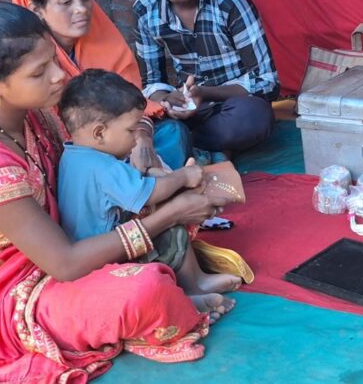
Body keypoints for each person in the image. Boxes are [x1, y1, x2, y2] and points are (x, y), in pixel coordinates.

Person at [0, 2, 232, 382]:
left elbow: (120, 119)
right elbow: (64, 263)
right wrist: (170, 214)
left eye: (54, 59)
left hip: (62, 250)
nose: (59, 75)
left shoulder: (35, 112)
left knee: (157, 193)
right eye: (39, 71)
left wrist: (142, 143)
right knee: (144, 288)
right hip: (4, 303)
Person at [57, 68, 242, 300]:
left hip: (91, 248)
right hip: (105, 257)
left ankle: (195, 282)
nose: (137, 138)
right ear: (99, 133)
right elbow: (151, 193)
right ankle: (194, 286)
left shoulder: (74, 155)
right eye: (132, 130)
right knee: (168, 210)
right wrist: (183, 176)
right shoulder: (104, 167)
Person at [12, 0, 191, 173]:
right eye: (66, 2)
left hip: (119, 137)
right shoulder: (28, 58)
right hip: (72, 155)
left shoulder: (104, 40)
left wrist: (141, 139)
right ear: (36, 10)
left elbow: (133, 105)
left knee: (172, 133)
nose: (82, 9)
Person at [133, 0, 279, 154]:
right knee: (141, 120)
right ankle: (193, 143)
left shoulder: (231, 4)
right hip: (187, 108)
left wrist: (203, 93)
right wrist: (169, 100)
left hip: (231, 104)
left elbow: (267, 83)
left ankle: (185, 145)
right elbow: (152, 81)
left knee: (255, 117)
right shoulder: (145, 9)